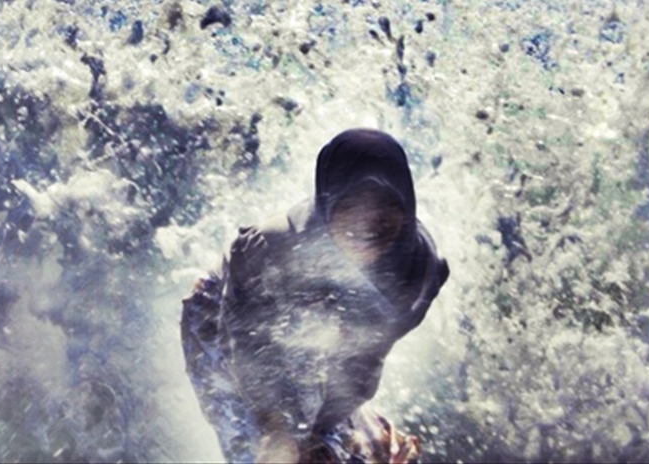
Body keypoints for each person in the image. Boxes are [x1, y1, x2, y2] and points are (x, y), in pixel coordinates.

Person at [182, 129, 449, 463]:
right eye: (350, 203)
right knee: (270, 449)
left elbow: (362, 361)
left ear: (407, 204)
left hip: (310, 324)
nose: (368, 220)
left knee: (337, 444)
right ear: (326, 204)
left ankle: (368, 437)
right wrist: (278, 428)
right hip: (221, 314)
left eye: (385, 203)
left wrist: (331, 427)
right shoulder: (271, 248)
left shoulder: (419, 273)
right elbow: (248, 346)